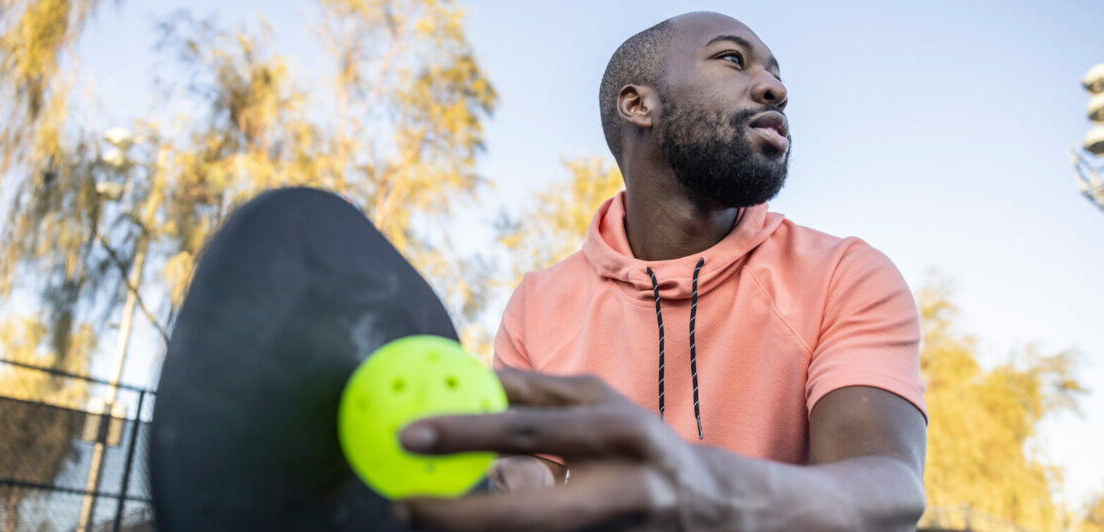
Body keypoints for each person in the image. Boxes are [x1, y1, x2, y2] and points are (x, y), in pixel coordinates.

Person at [392, 11, 927, 531]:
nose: (774, 89)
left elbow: (887, 490)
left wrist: (709, 490)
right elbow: (537, 476)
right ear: (638, 104)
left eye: (776, 73)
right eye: (733, 59)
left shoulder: (846, 274)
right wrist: (517, 480)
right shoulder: (536, 304)